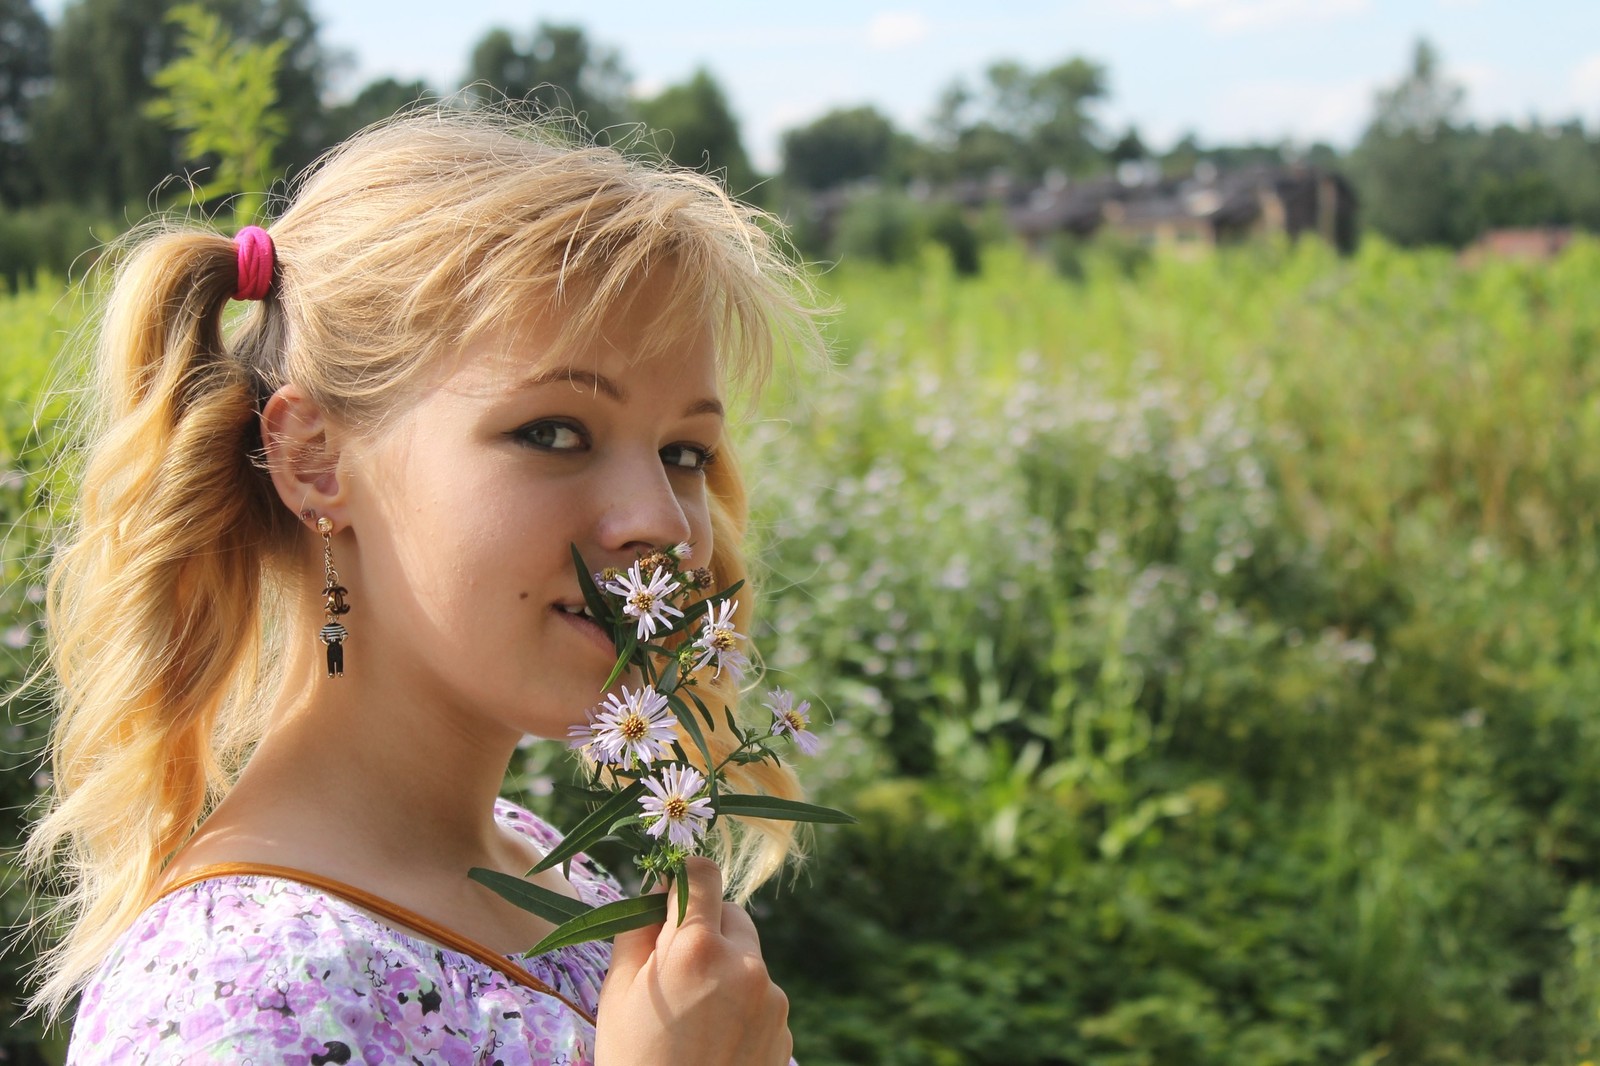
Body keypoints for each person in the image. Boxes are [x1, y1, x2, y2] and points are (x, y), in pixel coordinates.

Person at [24, 110, 821, 1065]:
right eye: (555, 432)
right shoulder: (237, 1003)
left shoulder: (541, 868)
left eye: (683, 451)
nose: (662, 521)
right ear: (314, 460)